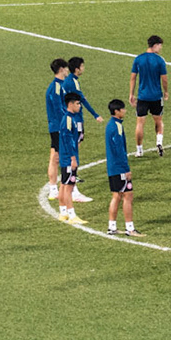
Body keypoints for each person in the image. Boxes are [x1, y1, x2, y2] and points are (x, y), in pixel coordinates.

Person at [61, 56, 101, 202]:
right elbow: (82, 100)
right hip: (75, 121)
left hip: (74, 120)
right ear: (77, 68)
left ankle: (71, 185)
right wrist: (95, 115)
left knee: (75, 148)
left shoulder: (70, 81)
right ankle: (73, 190)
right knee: (73, 151)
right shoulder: (72, 82)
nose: (84, 69)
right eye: (82, 66)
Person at [128, 36, 168, 159]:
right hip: (156, 96)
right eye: (160, 45)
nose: (161, 48)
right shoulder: (160, 60)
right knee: (158, 121)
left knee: (140, 123)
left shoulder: (138, 59)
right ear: (155, 45)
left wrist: (131, 94)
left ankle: (139, 150)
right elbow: (164, 79)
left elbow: (133, 78)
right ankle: (159, 142)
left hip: (142, 96)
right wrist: (166, 91)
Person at [104, 99, 140, 237]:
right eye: (123, 109)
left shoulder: (110, 125)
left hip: (112, 167)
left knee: (116, 196)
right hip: (119, 168)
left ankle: (112, 226)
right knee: (128, 196)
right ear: (117, 111)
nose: (125, 111)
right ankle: (129, 228)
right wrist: (126, 168)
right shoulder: (117, 127)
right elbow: (119, 150)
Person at [56, 91, 85, 225]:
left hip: (65, 157)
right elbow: (67, 140)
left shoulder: (69, 118)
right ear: (71, 104)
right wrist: (73, 158)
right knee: (68, 187)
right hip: (68, 158)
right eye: (78, 103)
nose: (80, 106)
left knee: (63, 185)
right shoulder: (69, 120)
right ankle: (72, 215)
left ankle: (63, 212)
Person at [43, 58, 69, 199]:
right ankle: (57, 188)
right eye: (66, 68)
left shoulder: (61, 85)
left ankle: (54, 188)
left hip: (57, 126)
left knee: (55, 156)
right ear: (61, 69)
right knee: (59, 157)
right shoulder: (56, 87)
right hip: (58, 127)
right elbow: (59, 109)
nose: (67, 71)